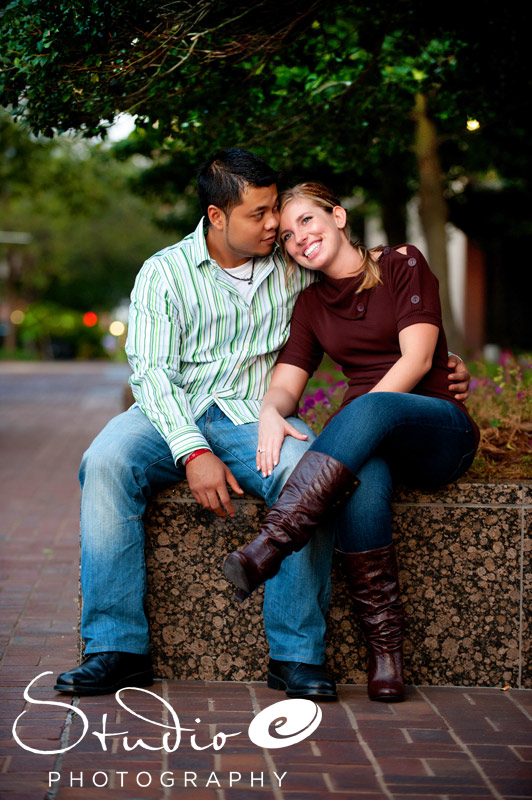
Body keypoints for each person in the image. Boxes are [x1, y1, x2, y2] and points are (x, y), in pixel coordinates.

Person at [54, 153, 470, 700]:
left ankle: (296, 654)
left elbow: (363, 284)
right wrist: (193, 453)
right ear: (217, 216)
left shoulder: (297, 265)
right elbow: (151, 375)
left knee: (308, 468)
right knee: (104, 462)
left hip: (251, 415)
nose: (277, 225)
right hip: (168, 412)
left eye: (278, 209)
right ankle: (116, 649)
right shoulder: (164, 272)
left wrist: (446, 361)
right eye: (260, 214)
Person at [223, 181, 479, 702]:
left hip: (436, 428)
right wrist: (270, 413)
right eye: (289, 235)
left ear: (338, 217)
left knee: (372, 408)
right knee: (362, 482)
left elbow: (415, 360)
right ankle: (386, 653)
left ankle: (272, 543)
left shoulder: (403, 264)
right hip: (369, 441)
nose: (300, 238)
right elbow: (286, 385)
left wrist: (365, 411)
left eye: (309, 222)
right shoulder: (311, 305)